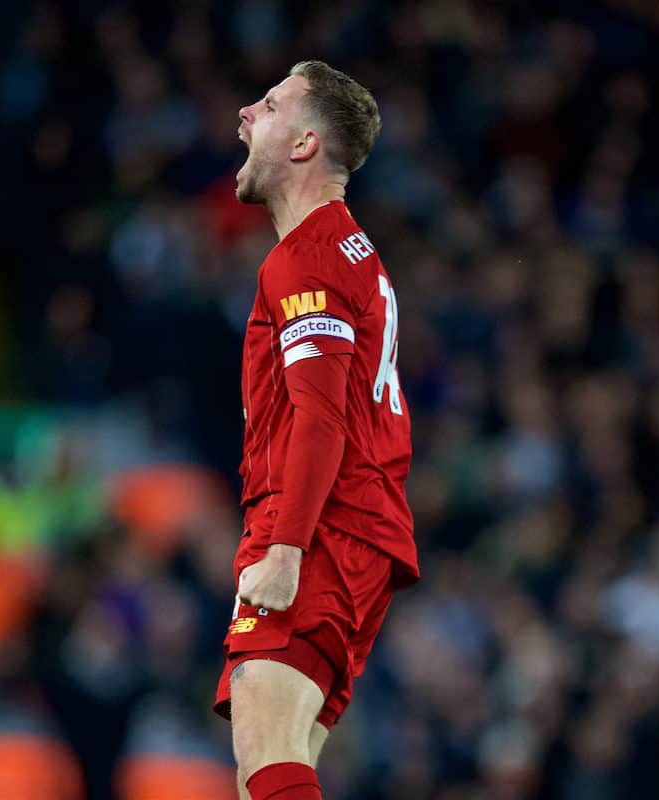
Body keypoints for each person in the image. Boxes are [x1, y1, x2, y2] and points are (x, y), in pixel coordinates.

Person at [211, 60, 421, 800]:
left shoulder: (306, 260)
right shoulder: (349, 250)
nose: (244, 113)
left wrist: (287, 547)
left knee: (266, 753)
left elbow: (321, 418)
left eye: (267, 106)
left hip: (320, 526)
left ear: (304, 143)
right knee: (265, 769)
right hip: (357, 529)